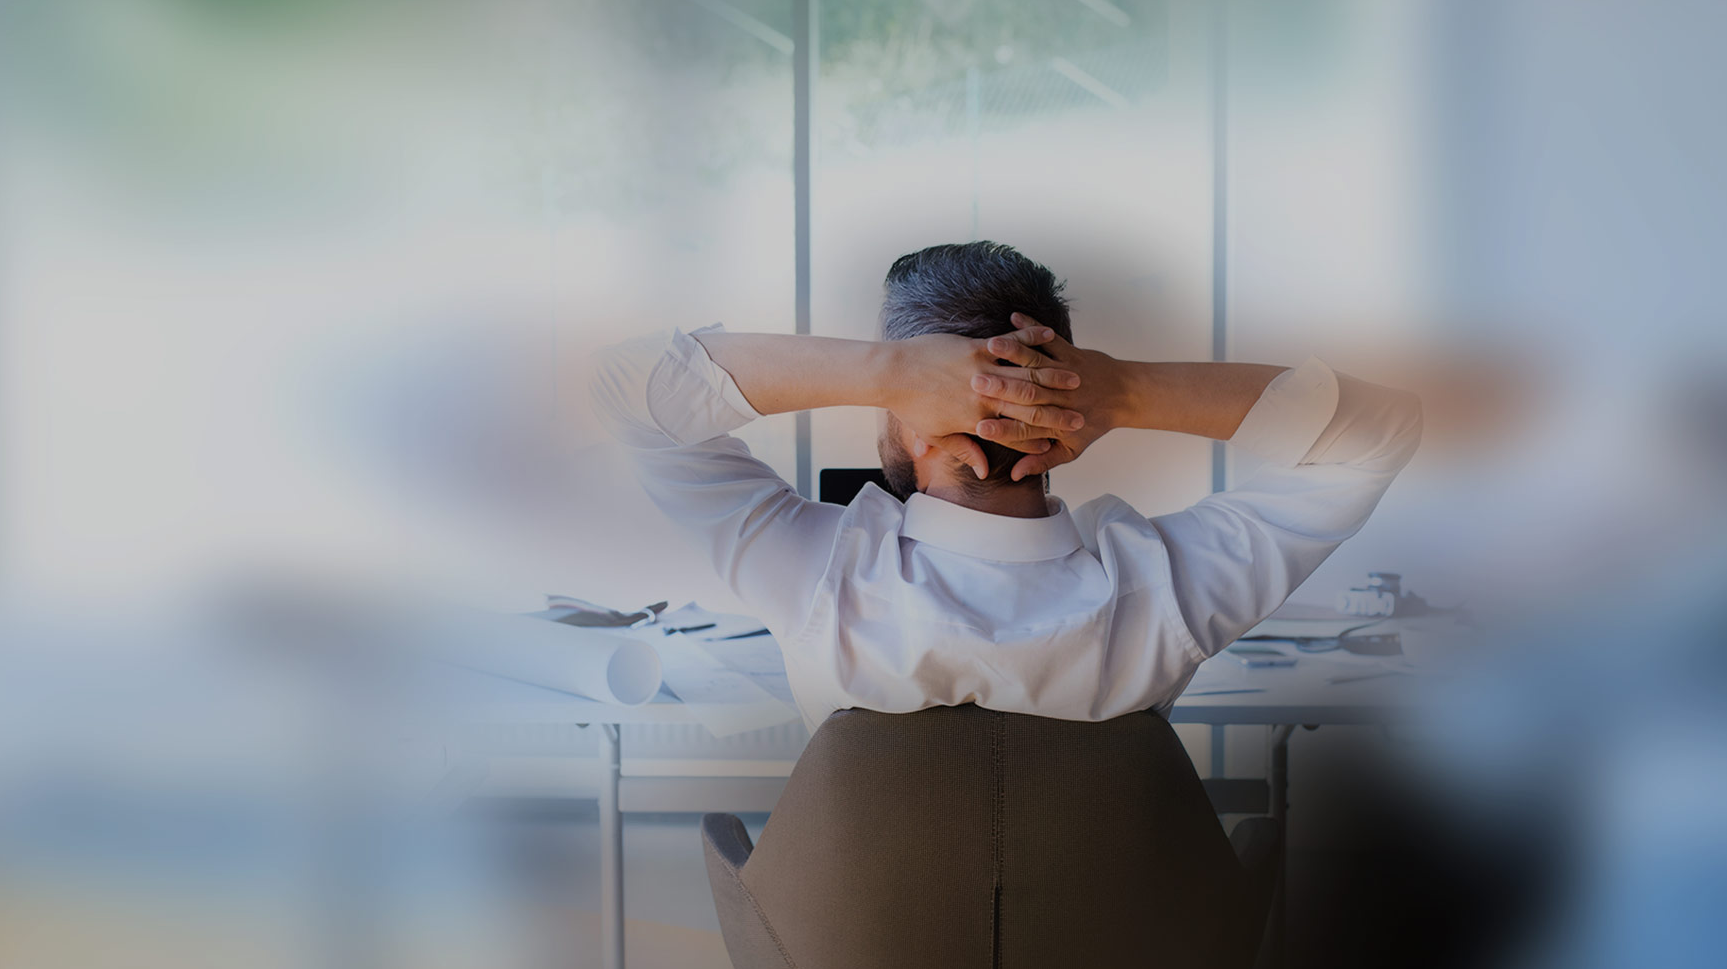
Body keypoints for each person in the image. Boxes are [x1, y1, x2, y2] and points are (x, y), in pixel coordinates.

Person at [591, 241, 1422, 728]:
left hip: (858, 963)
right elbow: (1385, 429)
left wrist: (886, 372)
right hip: (1104, 961)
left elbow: (622, 388)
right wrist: (1124, 390)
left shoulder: (813, 578)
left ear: (911, 418)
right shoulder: (1172, 590)